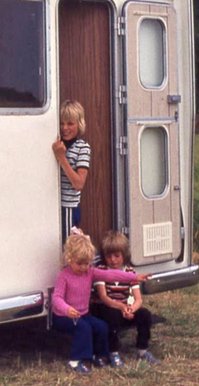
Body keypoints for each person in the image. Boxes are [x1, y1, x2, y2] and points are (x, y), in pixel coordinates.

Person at [51, 234, 148, 374]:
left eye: (87, 263)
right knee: (83, 328)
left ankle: (100, 355)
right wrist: (67, 310)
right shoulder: (64, 276)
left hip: (83, 314)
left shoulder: (90, 273)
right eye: (80, 264)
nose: (84, 267)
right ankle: (75, 361)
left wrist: (135, 277)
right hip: (64, 317)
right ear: (69, 259)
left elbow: (113, 275)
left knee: (102, 327)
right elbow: (57, 298)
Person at [90, 231, 158, 366]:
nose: (113, 260)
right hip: (107, 308)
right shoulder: (102, 270)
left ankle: (142, 350)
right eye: (109, 256)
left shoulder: (130, 272)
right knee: (113, 316)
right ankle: (113, 352)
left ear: (124, 255)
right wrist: (121, 307)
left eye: (117, 256)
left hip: (124, 308)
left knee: (145, 315)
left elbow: (138, 299)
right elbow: (104, 297)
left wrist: (131, 309)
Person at [52, 100, 90, 239]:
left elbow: (79, 184)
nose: (65, 128)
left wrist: (62, 158)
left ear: (79, 124)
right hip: (50, 204)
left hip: (68, 207)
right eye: (61, 123)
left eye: (70, 123)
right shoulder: (55, 142)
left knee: (67, 248)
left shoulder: (82, 147)